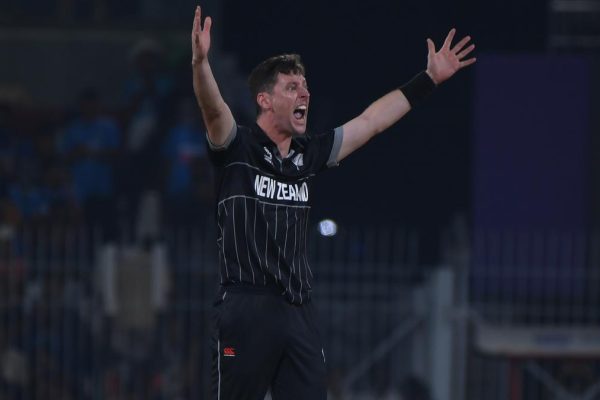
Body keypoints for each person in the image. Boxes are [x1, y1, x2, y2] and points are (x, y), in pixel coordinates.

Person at [191, 5, 476, 399]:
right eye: (292, 87)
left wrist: (427, 79)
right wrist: (201, 64)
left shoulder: (310, 153)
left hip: (297, 312)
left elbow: (371, 122)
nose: (304, 94)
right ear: (264, 100)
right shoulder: (237, 146)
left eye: (305, 86)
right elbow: (212, 108)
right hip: (245, 307)